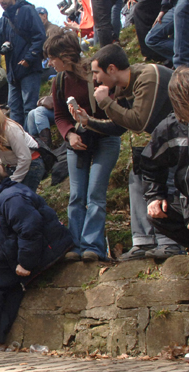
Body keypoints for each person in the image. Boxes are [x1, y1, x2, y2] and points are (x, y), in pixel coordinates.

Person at [72, 44, 182, 260]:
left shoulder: (148, 77)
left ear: (111, 69)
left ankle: (171, 243)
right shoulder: (123, 88)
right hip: (163, 142)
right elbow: (120, 125)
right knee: (136, 175)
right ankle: (143, 242)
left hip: (179, 141)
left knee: (164, 179)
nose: (95, 80)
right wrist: (87, 122)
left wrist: (105, 102)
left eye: (96, 72)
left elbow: (139, 122)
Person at [0, 160, 74, 349]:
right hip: (31, 248)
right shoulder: (3, 195)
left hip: (47, 248)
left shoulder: (10, 197)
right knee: (10, 283)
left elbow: (30, 228)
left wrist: (25, 263)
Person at [45, 30, 124, 262]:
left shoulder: (94, 72)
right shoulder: (59, 81)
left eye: (52, 58)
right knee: (76, 195)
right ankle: (76, 244)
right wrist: (69, 135)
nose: (49, 63)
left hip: (105, 138)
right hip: (77, 142)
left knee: (95, 194)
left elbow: (112, 109)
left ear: (65, 55)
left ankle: (93, 246)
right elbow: (59, 116)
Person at [141, 66, 189, 248]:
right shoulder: (170, 128)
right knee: (157, 212)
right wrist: (154, 195)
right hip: (185, 199)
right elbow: (150, 164)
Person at [0, 0, 47, 127]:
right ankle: (20, 143)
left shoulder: (27, 11)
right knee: (15, 112)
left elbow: (40, 36)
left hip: (30, 69)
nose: (2, 2)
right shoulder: (3, 20)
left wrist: (29, 58)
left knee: (29, 108)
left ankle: (31, 142)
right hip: (12, 73)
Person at [0, 92, 45, 192]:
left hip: (31, 164)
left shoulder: (10, 129)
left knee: (18, 198)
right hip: (13, 165)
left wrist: (12, 181)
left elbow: (25, 158)